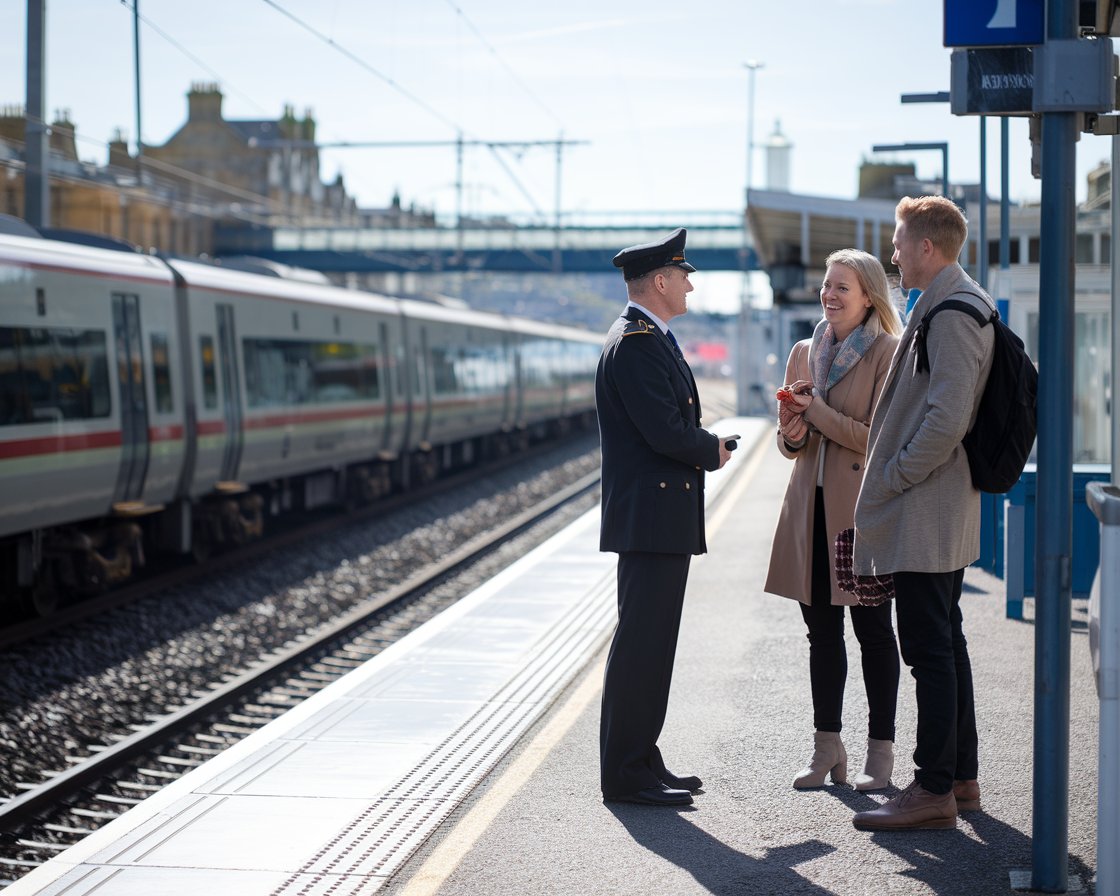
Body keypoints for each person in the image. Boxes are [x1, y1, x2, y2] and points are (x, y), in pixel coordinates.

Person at [851, 195, 995, 831]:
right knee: (945, 640)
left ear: (927, 249)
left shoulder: (952, 313)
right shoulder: (949, 302)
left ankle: (932, 788)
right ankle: (959, 778)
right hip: (935, 506)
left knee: (928, 650)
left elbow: (948, 415)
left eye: (901, 242)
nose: (894, 253)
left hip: (927, 507)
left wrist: (895, 472)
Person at [596, 227, 733, 807]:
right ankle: (625, 772)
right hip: (651, 518)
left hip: (658, 515)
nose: (690, 284)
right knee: (641, 646)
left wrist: (702, 446)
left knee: (653, 645)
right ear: (659, 281)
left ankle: (641, 757)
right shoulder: (636, 343)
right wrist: (711, 450)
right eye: (683, 275)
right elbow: (664, 431)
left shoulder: (650, 337)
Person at [763, 248, 902, 793]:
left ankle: (880, 752)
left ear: (868, 295)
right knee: (821, 634)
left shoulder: (888, 354)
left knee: (872, 633)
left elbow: (879, 440)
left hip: (860, 516)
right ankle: (827, 746)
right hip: (809, 512)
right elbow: (790, 446)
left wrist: (816, 412)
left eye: (842, 286)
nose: (829, 294)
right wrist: (792, 427)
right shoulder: (804, 350)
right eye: (826, 285)